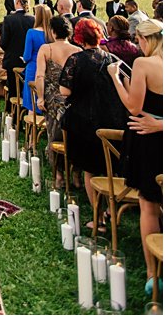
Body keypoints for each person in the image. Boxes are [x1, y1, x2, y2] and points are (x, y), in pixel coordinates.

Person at [107, 17, 163, 292]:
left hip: (148, 141)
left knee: (149, 204)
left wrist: (116, 78)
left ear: (146, 39)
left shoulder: (144, 64)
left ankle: (153, 274)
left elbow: (133, 106)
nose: (138, 47)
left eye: (139, 41)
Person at [59, 18, 128, 224]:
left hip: (85, 121)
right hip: (112, 119)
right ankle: (109, 210)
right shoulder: (112, 59)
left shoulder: (76, 60)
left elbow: (64, 90)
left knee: (90, 170)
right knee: (109, 169)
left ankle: (98, 217)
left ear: (79, 38)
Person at [35, 16, 79, 185]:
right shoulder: (77, 51)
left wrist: (40, 98)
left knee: (54, 134)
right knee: (73, 135)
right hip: (72, 100)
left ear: (53, 32)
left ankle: (59, 174)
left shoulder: (46, 49)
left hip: (52, 99)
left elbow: (40, 76)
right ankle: (75, 174)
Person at [0, 0, 34, 112]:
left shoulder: (9, 19)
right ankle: (26, 110)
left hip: (13, 58)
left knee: (13, 87)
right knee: (27, 87)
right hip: (28, 59)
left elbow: (3, 42)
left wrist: (7, 49)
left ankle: (13, 113)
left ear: (18, 2)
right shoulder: (32, 19)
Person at [22, 4, 53, 112]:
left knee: (32, 102)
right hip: (49, 67)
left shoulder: (31, 32)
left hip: (34, 67)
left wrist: (24, 59)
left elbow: (27, 56)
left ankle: (32, 124)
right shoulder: (52, 33)